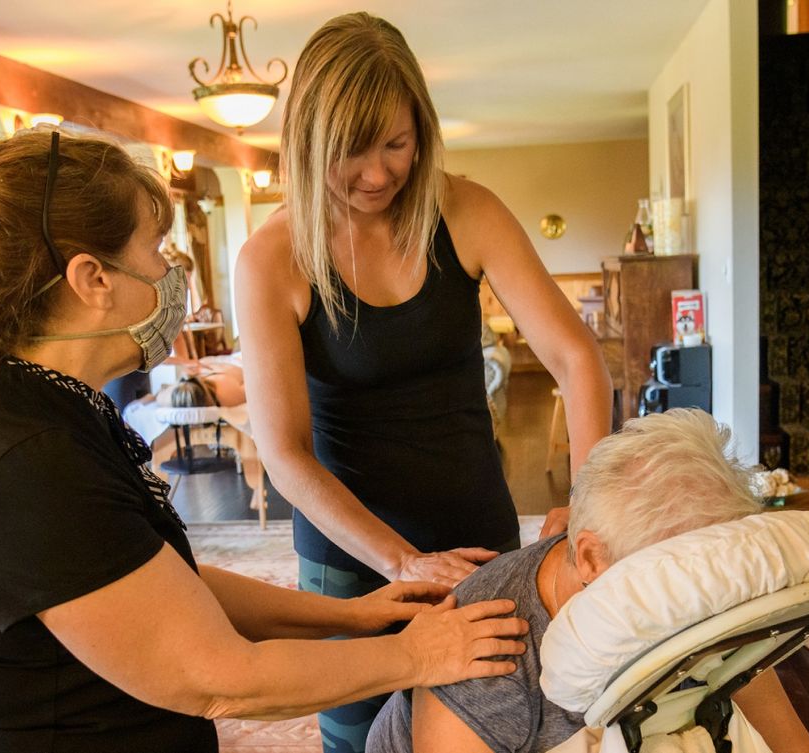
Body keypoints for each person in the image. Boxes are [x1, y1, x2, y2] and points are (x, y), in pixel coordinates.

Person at [0, 129, 530, 753]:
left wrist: (348, 613)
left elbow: (159, 584)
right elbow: (218, 677)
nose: (173, 270)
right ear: (93, 279)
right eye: (155, 248)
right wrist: (417, 655)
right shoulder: (24, 458)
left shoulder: (48, 408)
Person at [235, 13, 611, 751]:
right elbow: (283, 451)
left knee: (506, 730)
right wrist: (399, 561)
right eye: (351, 150)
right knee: (360, 739)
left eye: (396, 144)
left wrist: (585, 504)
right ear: (308, 144)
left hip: (480, 540)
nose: (377, 174)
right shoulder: (271, 258)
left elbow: (576, 358)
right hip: (354, 564)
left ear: (422, 131)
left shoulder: (465, 209)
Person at [367, 409, 809, 753]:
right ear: (589, 558)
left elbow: (789, 739)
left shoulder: (705, 588)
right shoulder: (492, 656)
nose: (699, 614)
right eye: (671, 588)